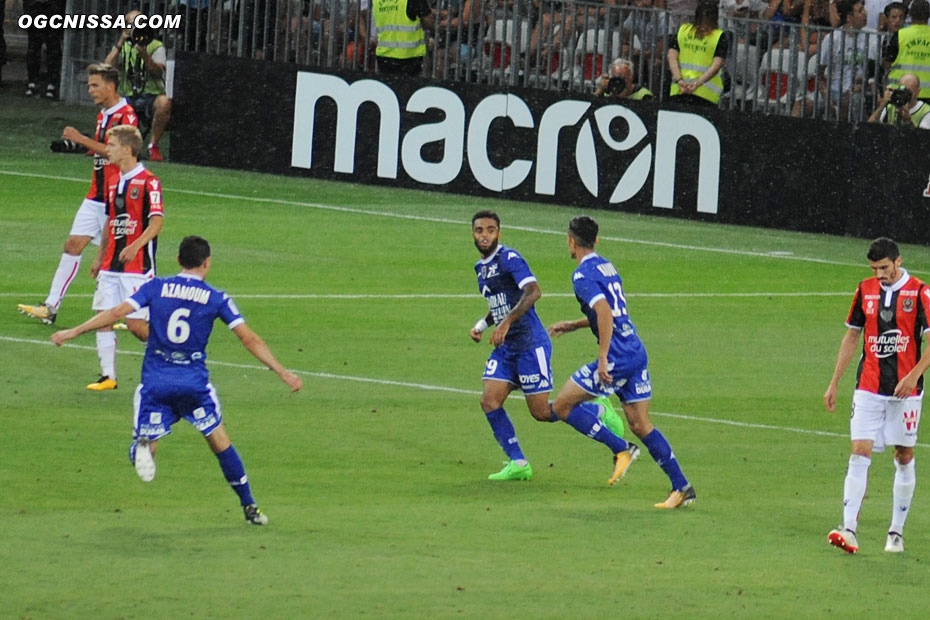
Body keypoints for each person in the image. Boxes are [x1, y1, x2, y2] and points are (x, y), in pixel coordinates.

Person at [51, 236, 303, 525]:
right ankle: (250, 506)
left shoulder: (156, 287)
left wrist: (73, 331)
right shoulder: (216, 298)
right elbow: (248, 338)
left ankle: (141, 449)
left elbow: (117, 313)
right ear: (207, 263)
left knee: (148, 447)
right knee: (220, 441)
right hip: (194, 385)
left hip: (156, 383)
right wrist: (282, 372)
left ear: (178, 261)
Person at [548, 216, 696, 509]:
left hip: (616, 357)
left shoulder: (581, 276)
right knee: (640, 424)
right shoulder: (607, 265)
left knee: (562, 406)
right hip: (635, 351)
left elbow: (604, 312)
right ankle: (682, 488)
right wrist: (575, 325)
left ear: (571, 241)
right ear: (596, 240)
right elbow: (613, 311)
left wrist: (603, 358)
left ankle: (621, 448)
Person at [469, 210, 625, 482]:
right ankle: (518, 463)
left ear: (499, 233)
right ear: (473, 233)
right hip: (507, 348)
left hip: (531, 344)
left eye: (490, 230)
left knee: (541, 412)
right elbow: (501, 304)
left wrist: (505, 324)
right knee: (489, 401)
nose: (485, 235)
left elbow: (533, 292)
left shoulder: (510, 259)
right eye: (480, 230)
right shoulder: (481, 268)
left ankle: (597, 409)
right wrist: (483, 326)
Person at [823, 237, 930, 554]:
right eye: (874, 269)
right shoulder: (865, 290)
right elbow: (852, 336)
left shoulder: (920, 293)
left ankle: (895, 532)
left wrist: (913, 375)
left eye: (884, 268)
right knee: (859, 452)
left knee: (904, 455)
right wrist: (834, 382)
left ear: (898, 262)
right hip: (868, 387)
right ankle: (849, 529)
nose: (879, 274)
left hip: (906, 392)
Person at [17, 64, 138, 326]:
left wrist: (80, 139)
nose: (90, 90)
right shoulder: (104, 114)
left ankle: (135, 312)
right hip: (96, 194)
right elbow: (99, 151)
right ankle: (51, 306)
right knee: (73, 245)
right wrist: (72, 145)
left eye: (94, 85)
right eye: (89, 85)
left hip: (117, 196)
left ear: (111, 85)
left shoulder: (126, 116)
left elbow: (116, 153)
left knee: (122, 255)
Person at [82, 124, 164, 391]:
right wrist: (98, 257)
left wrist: (136, 246)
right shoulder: (114, 181)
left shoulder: (149, 181)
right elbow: (110, 222)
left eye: (112, 144)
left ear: (127, 149)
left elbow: (156, 223)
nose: (107, 149)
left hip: (137, 268)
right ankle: (108, 376)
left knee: (135, 324)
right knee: (103, 316)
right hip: (111, 265)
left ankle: (166, 360)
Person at [105, 10, 172, 161]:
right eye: (130, 24)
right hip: (128, 95)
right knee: (106, 96)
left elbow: (158, 72)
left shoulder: (155, 45)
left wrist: (145, 56)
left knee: (164, 103)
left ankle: (153, 146)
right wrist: (120, 43)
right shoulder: (123, 46)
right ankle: (106, 142)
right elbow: (107, 68)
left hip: (151, 95)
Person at [817, 0, 878, 121]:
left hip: (862, 90)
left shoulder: (872, 36)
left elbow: (874, 71)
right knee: (802, 103)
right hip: (835, 90)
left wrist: (863, 82)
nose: (866, 13)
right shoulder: (833, 39)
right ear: (849, 17)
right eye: (860, 11)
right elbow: (819, 75)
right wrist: (826, 97)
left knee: (854, 97)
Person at [666, 0, 731, 106]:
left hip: (679, 91)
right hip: (705, 94)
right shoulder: (719, 36)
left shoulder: (682, 31)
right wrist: (696, 84)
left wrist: (680, 81)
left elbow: (671, 57)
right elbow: (716, 66)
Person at [884, 0, 930, 103]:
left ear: (910, 15)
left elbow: (887, 63)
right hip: (928, 95)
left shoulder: (900, 35)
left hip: (901, 93)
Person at [372, 0, 434, 74]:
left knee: (388, 83)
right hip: (408, 56)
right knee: (409, 84)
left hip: (384, 55)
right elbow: (430, 22)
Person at [23, 0, 65, 98]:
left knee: (42, 46)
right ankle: (48, 83)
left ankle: (37, 82)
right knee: (47, 46)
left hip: (41, 7)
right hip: (46, 7)